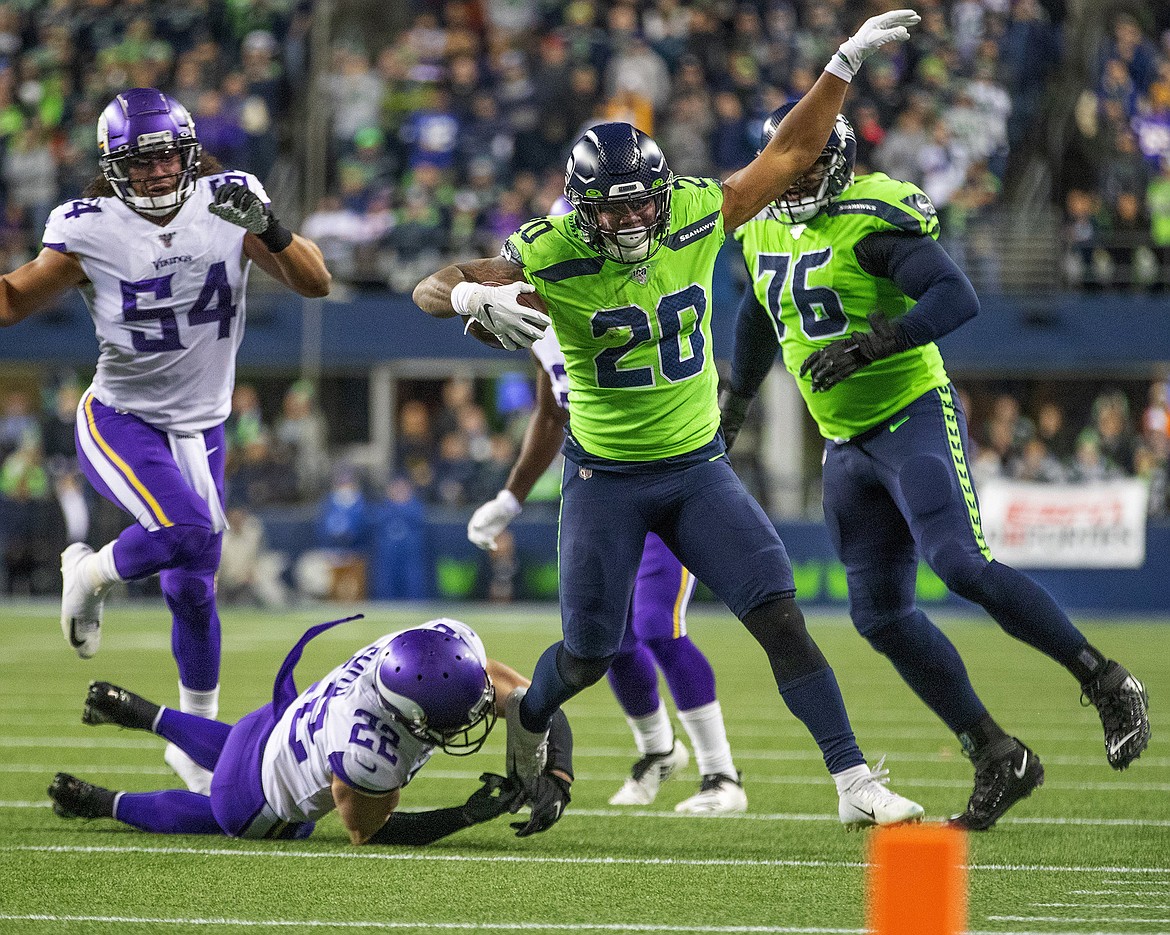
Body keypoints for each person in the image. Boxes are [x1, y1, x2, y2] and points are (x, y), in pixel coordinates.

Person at [415, 11, 927, 828]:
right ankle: (530, 720)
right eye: (611, 211)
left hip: (695, 468)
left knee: (779, 614)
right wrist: (474, 293)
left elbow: (790, 154)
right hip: (604, 477)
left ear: (661, 197)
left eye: (639, 206)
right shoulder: (547, 248)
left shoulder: (692, 210)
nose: (630, 222)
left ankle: (853, 780)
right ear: (581, 209)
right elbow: (431, 285)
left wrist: (841, 63)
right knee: (588, 653)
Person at [720, 103, 1151, 831]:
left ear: (838, 163)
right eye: (784, 166)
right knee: (879, 615)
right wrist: (735, 407)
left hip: (910, 413)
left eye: (807, 167)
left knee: (959, 564)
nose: (792, 181)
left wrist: (880, 341)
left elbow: (957, 294)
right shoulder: (759, 225)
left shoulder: (871, 217)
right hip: (844, 442)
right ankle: (997, 753)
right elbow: (760, 313)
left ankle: (1106, 679)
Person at [0, 87, 332, 795]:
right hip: (121, 417)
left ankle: (193, 745)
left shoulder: (230, 201)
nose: (156, 173)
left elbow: (317, 283)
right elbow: (11, 300)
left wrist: (271, 227)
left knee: (194, 588)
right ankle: (88, 574)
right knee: (186, 533)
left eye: (166, 158)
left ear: (188, 154)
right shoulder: (90, 227)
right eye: (140, 162)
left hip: (202, 426)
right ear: (113, 167)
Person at [468, 325, 746, 813]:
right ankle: (658, 751)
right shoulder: (538, 327)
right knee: (605, 635)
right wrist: (511, 497)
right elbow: (551, 415)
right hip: (600, 496)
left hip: (665, 478)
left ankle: (721, 774)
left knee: (658, 623)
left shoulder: (607, 297)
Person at [49, 616, 573, 843]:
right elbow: (368, 833)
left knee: (238, 748)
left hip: (272, 722)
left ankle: (141, 712)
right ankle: (100, 801)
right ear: (410, 717)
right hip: (255, 802)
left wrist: (557, 774)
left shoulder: (430, 651)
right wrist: (467, 815)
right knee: (224, 812)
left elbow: (533, 698)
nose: (475, 718)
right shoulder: (369, 754)